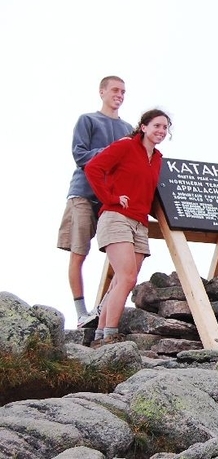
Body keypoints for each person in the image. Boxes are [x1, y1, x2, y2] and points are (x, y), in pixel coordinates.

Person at [84, 109, 169, 346]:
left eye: (165, 128)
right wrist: (109, 198)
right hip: (116, 217)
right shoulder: (126, 146)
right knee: (127, 276)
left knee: (122, 280)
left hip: (140, 223)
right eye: (156, 126)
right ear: (143, 127)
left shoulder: (158, 158)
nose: (161, 131)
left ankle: (101, 334)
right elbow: (93, 168)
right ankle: (111, 333)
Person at [57, 76, 133, 328]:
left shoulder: (128, 129)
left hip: (112, 201)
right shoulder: (87, 120)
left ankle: (102, 309)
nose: (120, 94)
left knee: (117, 255)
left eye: (123, 91)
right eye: (115, 90)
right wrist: (112, 151)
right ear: (102, 92)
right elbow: (80, 155)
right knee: (79, 253)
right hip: (83, 193)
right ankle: (81, 312)